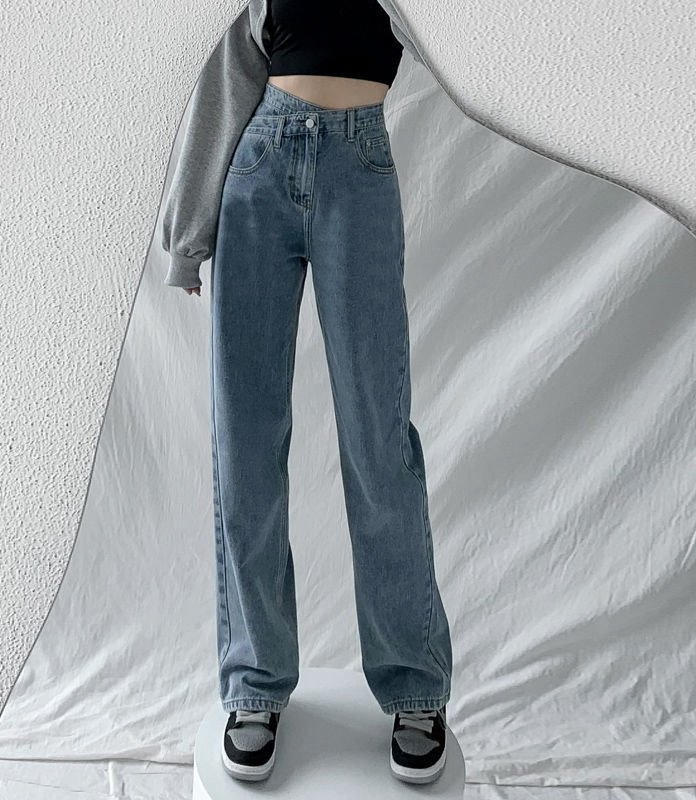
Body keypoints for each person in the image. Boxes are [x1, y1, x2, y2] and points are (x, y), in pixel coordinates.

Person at [162, 0, 453, 786]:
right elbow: (228, 77)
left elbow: (473, 52)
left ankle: (415, 687)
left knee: (379, 442)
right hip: (258, 170)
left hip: (361, 170)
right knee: (246, 440)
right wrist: (189, 237)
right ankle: (254, 685)